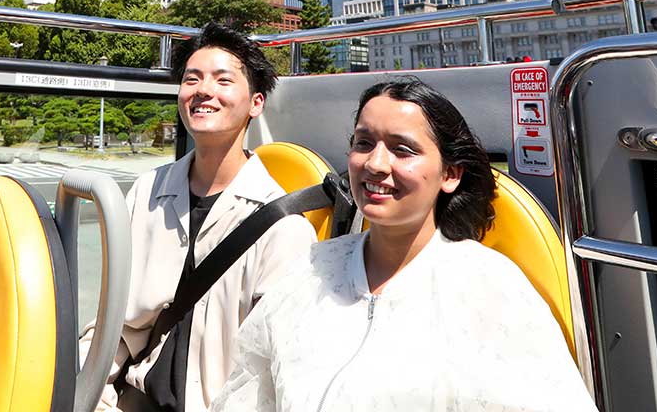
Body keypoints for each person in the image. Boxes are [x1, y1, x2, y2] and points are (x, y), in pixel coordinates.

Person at [211, 78, 597, 412]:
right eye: (364, 143)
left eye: (402, 149)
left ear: (450, 174)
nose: (375, 164)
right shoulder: (311, 268)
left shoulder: (492, 288)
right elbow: (249, 387)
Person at [81, 22, 317, 411]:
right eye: (192, 79)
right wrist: (84, 391)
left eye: (223, 80)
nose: (203, 90)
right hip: (124, 399)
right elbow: (113, 322)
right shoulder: (146, 192)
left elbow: (273, 368)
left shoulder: (284, 228)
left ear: (256, 103)